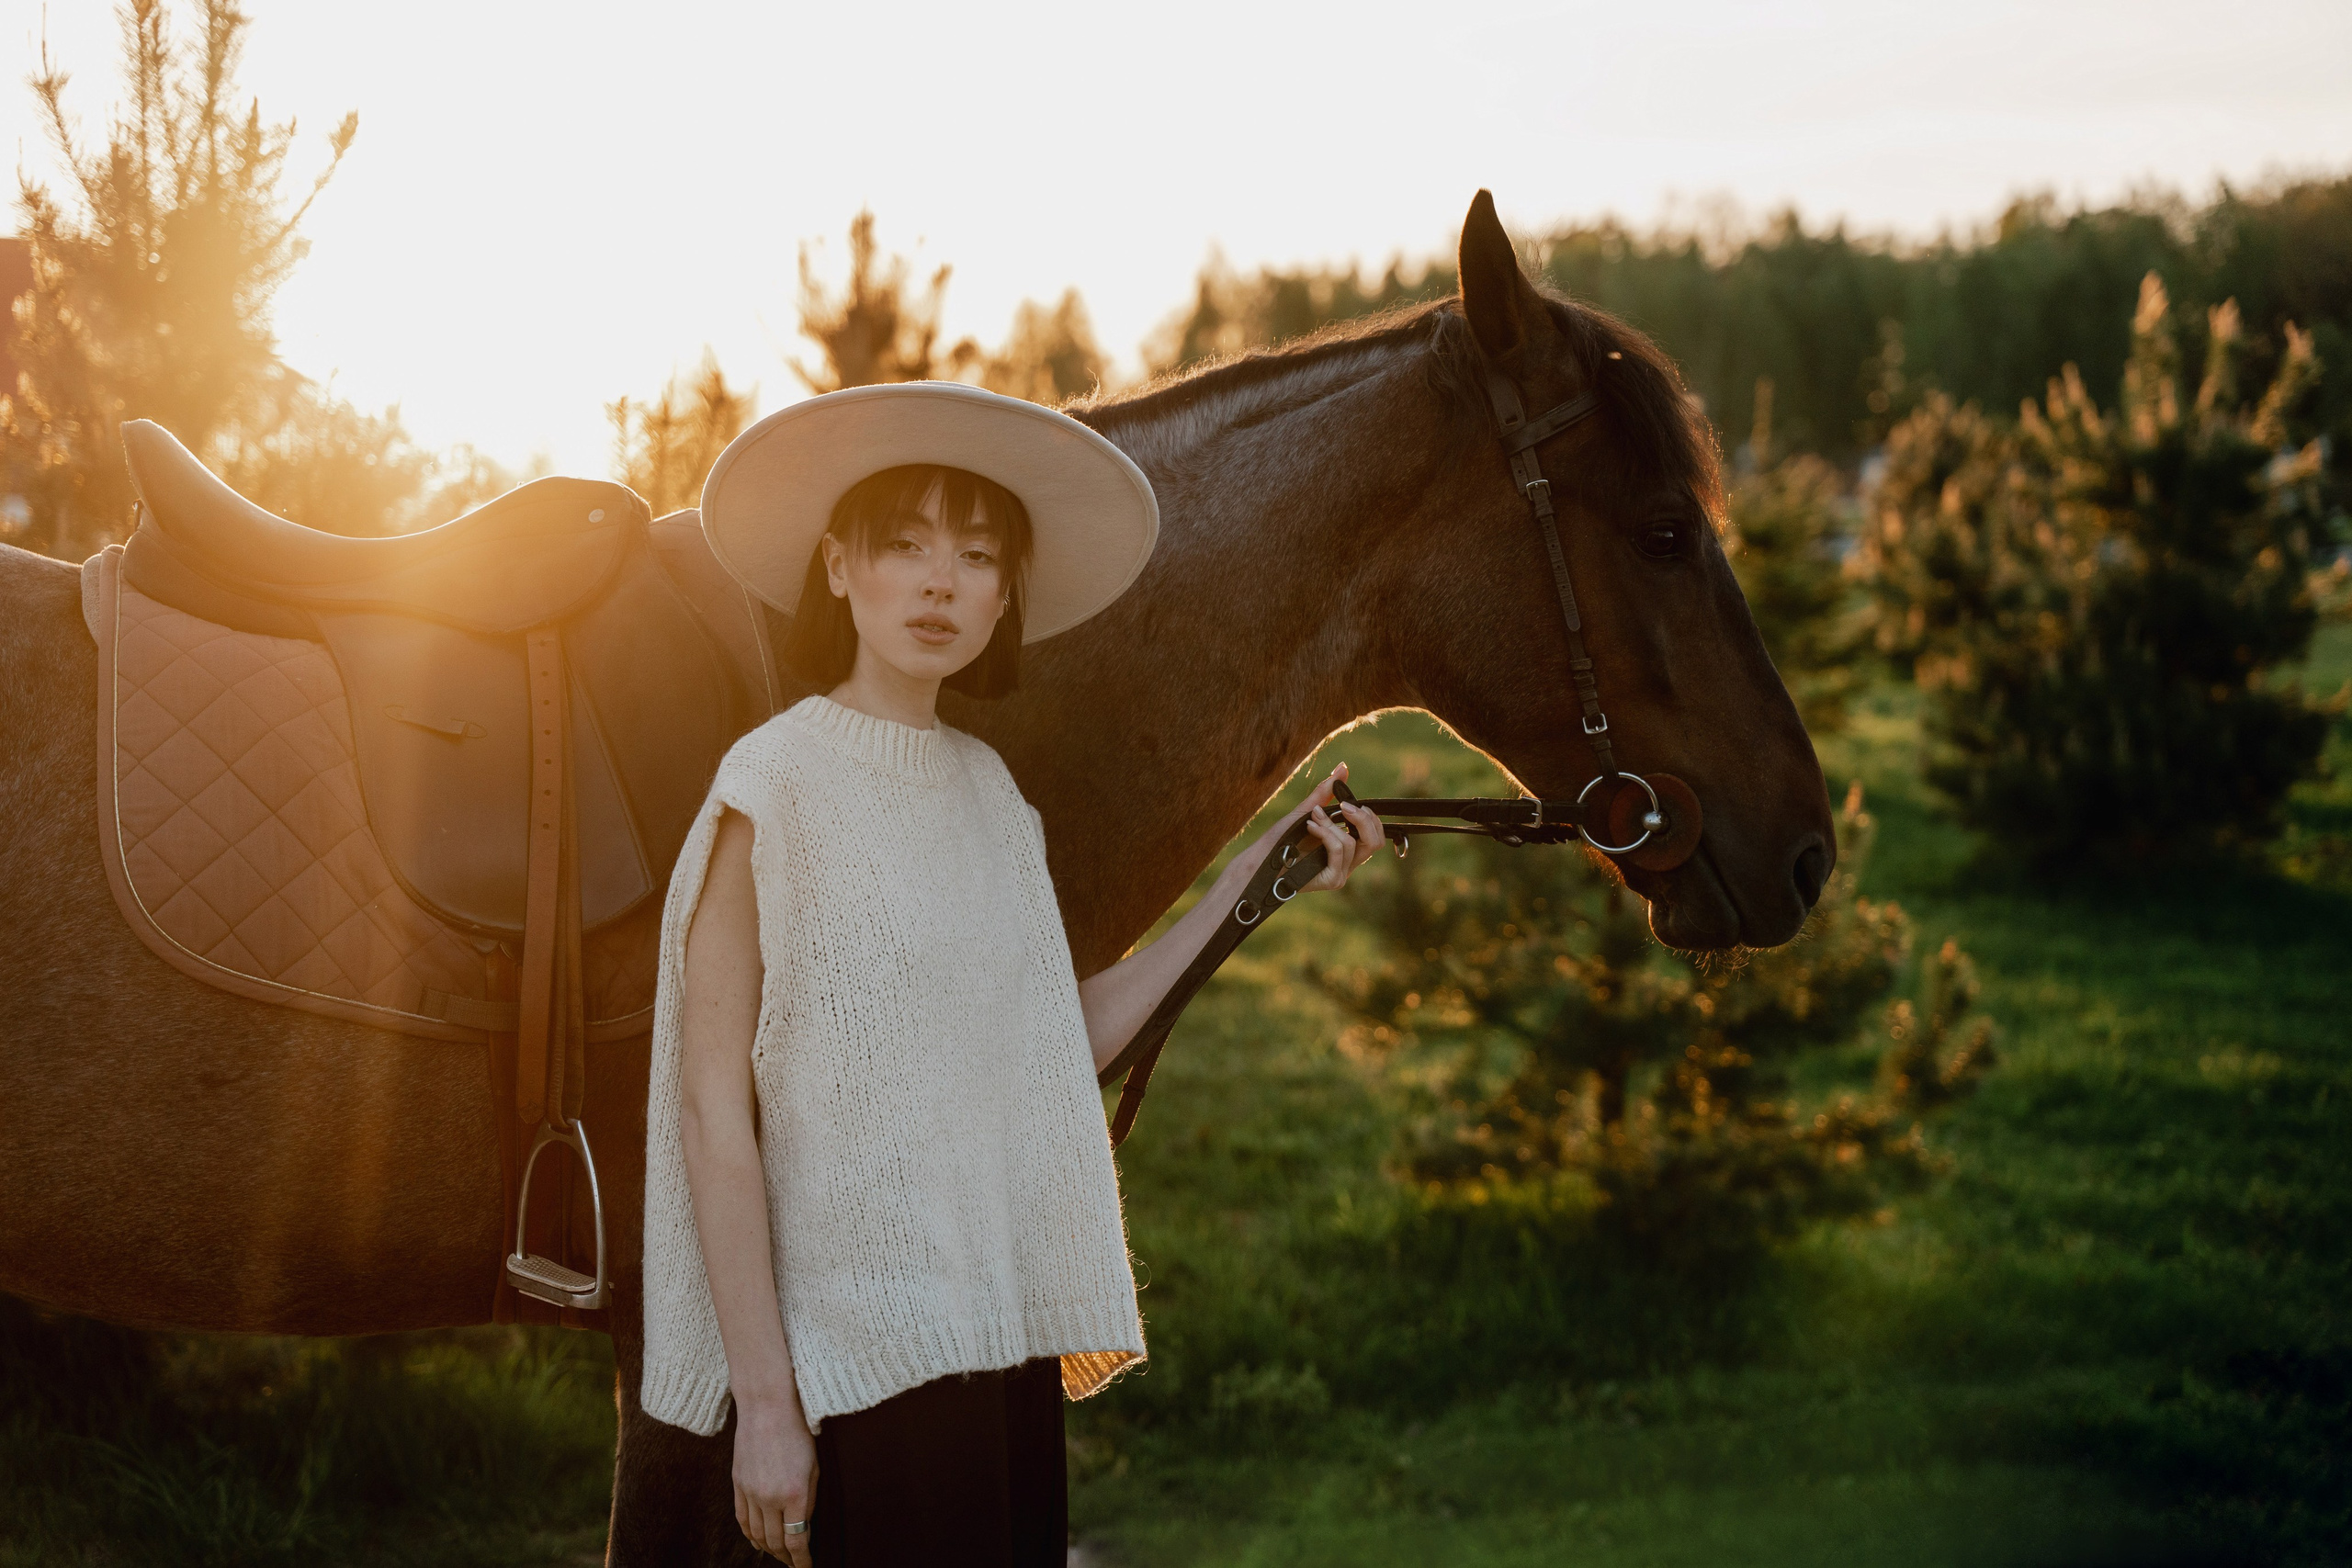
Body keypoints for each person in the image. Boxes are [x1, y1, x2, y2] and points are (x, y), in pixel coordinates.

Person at [637, 382, 1384, 1566]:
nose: (942, 582)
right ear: (839, 567)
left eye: (978, 556)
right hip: (860, 1376)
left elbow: (1055, 1043)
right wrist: (766, 1406)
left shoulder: (993, 798)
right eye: (907, 545)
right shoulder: (771, 786)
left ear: (1003, 595)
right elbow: (709, 1111)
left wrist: (1254, 875)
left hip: (1004, 1351)